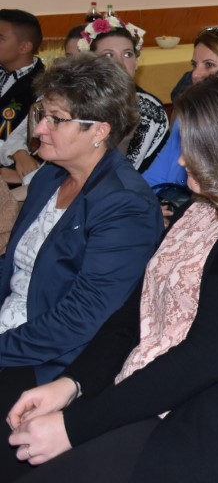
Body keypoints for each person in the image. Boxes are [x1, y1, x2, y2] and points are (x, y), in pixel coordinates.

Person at [5, 67, 218, 482]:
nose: (181, 160)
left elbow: (203, 359)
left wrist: (74, 427)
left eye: (195, 146)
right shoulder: (206, 205)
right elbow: (134, 313)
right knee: (14, 449)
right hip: (167, 390)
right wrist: (73, 383)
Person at [0, 53, 162, 472]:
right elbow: (14, 271)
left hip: (52, 363)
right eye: (42, 114)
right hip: (15, 332)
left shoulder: (124, 204)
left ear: (99, 131)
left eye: (55, 119)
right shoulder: (51, 177)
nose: (39, 129)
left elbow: (83, 319)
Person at [142, 27, 218, 191]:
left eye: (209, 65)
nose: (195, 74)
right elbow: (155, 176)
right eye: (194, 65)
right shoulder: (188, 117)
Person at [80, 17, 169, 172]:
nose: (120, 63)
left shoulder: (147, 111)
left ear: (136, 63)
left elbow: (122, 169)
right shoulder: (80, 100)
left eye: (127, 54)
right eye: (109, 55)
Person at [0, 11, 45, 186]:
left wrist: (16, 152)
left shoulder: (44, 87)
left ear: (24, 47)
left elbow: (32, 141)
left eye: (0, 38)